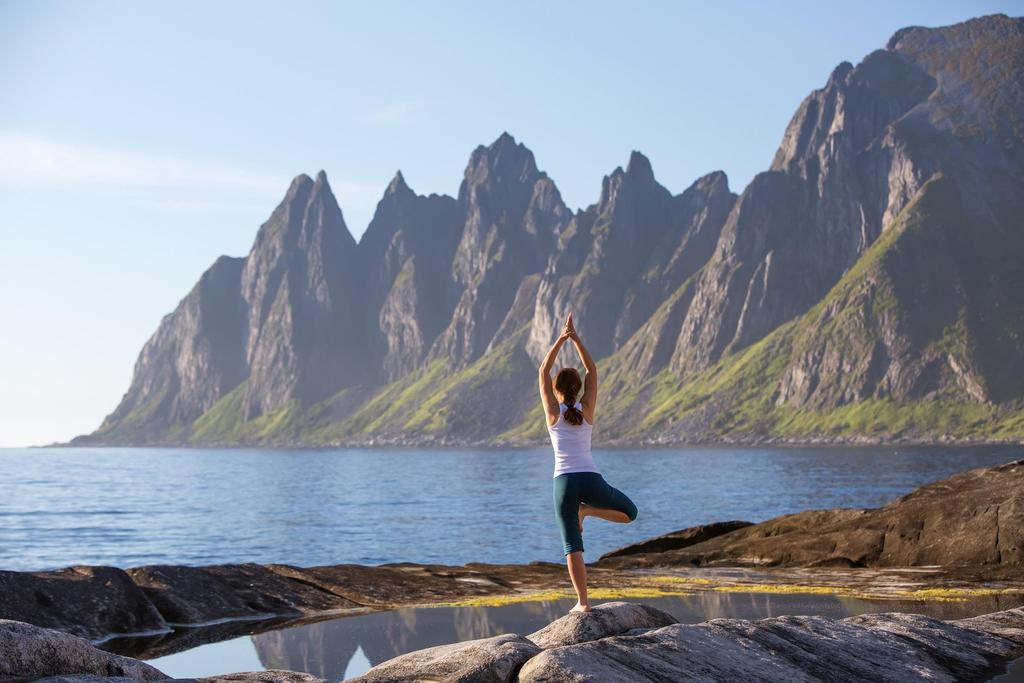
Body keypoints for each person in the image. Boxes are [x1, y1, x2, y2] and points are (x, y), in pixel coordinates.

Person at [538, 311, 638, 613]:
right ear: (578, 389)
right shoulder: (587, 409)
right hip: (591, 478)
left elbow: (543, 370)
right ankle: (590, 511)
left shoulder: (553, 413)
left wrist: (560, 338)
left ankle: (583, 603)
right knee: (630, 513)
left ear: (557, 391)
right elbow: (592, 369)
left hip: (563, 482)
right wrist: (576, 337)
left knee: (572, 545)